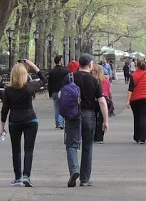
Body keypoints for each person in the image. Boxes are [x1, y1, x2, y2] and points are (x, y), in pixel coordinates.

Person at [65, 54, 109, 186]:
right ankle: (84, 179)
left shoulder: (69, 77)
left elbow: (62, 96)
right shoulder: (94, 80)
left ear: (79, 64)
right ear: (90, 65)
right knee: (87, 146)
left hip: (73, 114)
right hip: (88, 114)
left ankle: (74, 169)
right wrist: (105, 120)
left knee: (71, 145)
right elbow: (102, 101)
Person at [0, 59, 43, 186]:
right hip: (30, 119)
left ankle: (17, 177)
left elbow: (5, 109)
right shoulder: (29, 88)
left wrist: (2, 126)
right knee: (29, 150)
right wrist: (33, 65)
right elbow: (43, 80)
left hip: (15, 121)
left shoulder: (8, 91)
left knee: (16, 150)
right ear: (25, 75)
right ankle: (26, 176)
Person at [128, 57, 146, 144]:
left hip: (135, 99)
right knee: (143, 117)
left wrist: (128, 100)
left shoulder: (133, 75)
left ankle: (137, 136)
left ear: (137, 67)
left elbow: (131, 89)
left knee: (136, 117)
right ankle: (143, 138)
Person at [45, 55, 70, 130]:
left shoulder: (52, 71)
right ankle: (61, 122)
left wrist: (50, 93)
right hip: (63, 91)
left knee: (56, 108)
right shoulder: (65, 71)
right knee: (63, 107)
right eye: (62, 60)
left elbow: (49, 83)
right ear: (59, 61)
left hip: (54, 91)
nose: (63, 61)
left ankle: (58, 123)